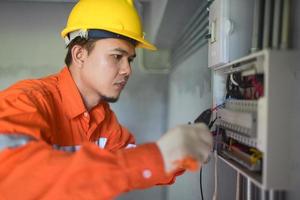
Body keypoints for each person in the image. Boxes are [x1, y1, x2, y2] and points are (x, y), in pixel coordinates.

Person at [0, 0, 213, 199]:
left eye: (129, 59)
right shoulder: (26, 101)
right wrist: (158, 157)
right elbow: (13, 178)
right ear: (79, 55)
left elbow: (134, 160)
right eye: (117, 56)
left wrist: (183, 150)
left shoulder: (104, 120)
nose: (127, 70)